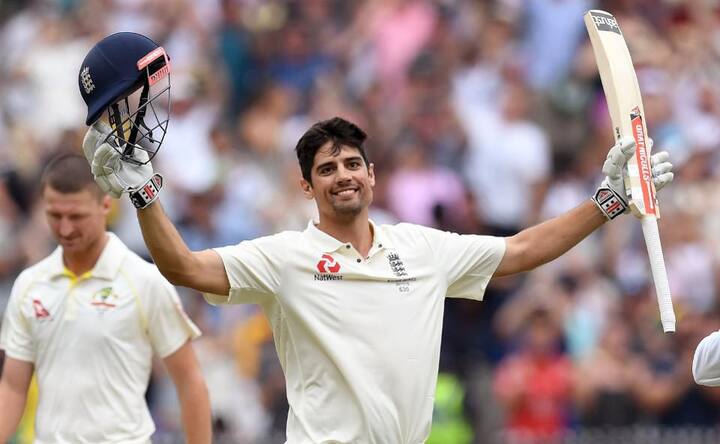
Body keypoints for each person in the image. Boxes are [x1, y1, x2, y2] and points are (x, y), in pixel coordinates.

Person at [78, 33, 674, 444]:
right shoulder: (284, 257)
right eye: (327, 169)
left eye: (352, 164)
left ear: (372, 175)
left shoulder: (422, 248)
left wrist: (608, 202)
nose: (343, 175)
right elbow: (183, 267)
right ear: (307, 187)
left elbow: (520, 251)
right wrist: (144, 193)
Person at [0, 155, 212, 444]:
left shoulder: (144, 280)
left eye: (76, 216)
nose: (65, 228)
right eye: (55, 215)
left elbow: (190, 382)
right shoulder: (30, 284)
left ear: (105, 206)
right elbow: (13, 386)